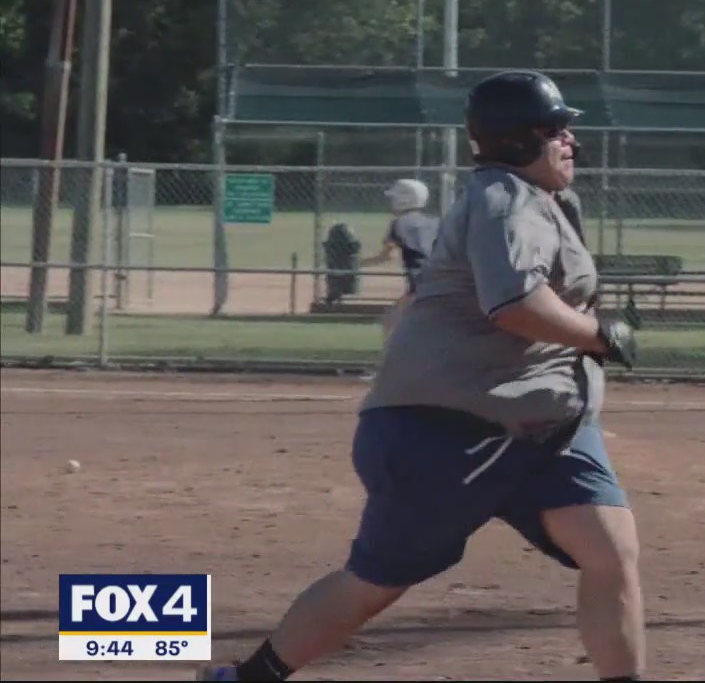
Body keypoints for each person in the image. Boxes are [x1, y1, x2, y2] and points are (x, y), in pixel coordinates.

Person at [196, 70, 645, 682]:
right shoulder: (504, 200)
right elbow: (513, 304)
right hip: (454, 431)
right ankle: (250, 678)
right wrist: (601, 336)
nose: (570, 141)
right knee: (376, 582)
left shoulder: (540, 201)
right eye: (554, 130)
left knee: (612, 552)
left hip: (540, 425)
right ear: (517, 142)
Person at [358, 178, 439, 343]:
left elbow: (387, 256)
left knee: (390, 322)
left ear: (405, 199)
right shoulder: (435, 221)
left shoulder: (399, 223)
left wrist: (357, 263)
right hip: (443, 279)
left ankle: (392, 366)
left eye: (394, 198)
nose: (391, 202)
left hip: (420, 283)